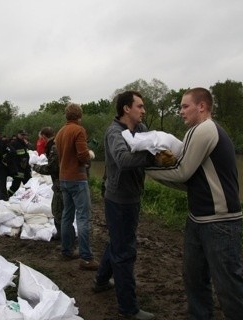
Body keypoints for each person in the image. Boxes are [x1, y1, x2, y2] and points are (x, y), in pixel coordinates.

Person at [146, 88, 243, 319]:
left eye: (185, 106)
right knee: (194, 277)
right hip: (197, 218)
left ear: (202, 107)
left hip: (220, 222)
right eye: (180, 107)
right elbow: (191, 182)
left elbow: (182, 172)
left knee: (229, 287)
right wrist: (157, 172)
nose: (180, 112)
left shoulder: (206, 129)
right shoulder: (194, 132)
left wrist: (146, 169)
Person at [94, 91, 157, 320]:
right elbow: (122, 159)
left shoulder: (139, 130)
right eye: (139, 106)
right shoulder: (114, 133)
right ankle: (128, 308)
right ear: (126, 109)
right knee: (125, 251)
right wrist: (152, 158)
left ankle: (100, 280)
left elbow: (150, 144)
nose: (143, 110)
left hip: (132, 196)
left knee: (119, 242)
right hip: (118, 199)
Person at [54, 103, 97, 270]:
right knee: (83, 217)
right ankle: (86, 258)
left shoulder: (60, 132)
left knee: (67, 215)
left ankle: (67, 250)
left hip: (63, 178)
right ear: (80, 115)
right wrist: (89, 157)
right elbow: (82, 154)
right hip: (77, 179)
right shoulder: (78, 130)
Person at [32, 127, 63, 239]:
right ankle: (64, 235)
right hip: (63, 182)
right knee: (61, 210)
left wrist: (35, 167)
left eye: (41, 138)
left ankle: (63, 236)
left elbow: (51, 168)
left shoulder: (54, 148)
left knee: (57, 210)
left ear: (44, 137)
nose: (41, 141)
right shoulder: (57, 144)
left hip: (61, 184)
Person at [8, 130, 32, 197]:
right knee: (15, 185)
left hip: (26, 168)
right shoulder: (14, 144)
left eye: (24, 135)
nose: (23, 136)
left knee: (29, 183)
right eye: (22, 135)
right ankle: (7, 196)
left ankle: (29, 196)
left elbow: (31, 148)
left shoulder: (24, 143)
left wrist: (27, 143)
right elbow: (11, 156)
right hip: (18, 168)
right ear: (18, 135)